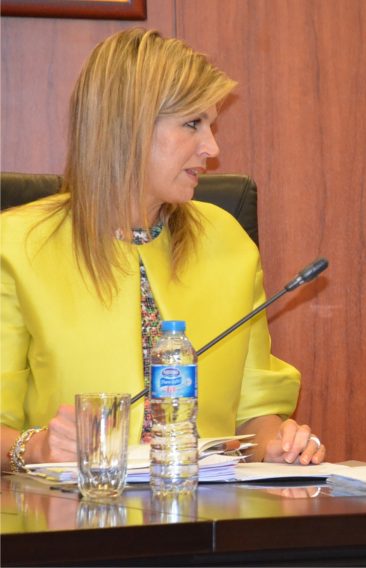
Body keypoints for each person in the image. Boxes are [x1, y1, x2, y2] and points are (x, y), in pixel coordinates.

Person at [1, 28, 326, 472]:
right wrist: (34, 448)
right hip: (69, 518)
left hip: (203, 513)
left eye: (210, 124)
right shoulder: (18, 245)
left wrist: (278, 444)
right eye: (193, 124)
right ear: (125, 127)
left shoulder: (225, 239)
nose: (213, 148)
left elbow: (254, 415)